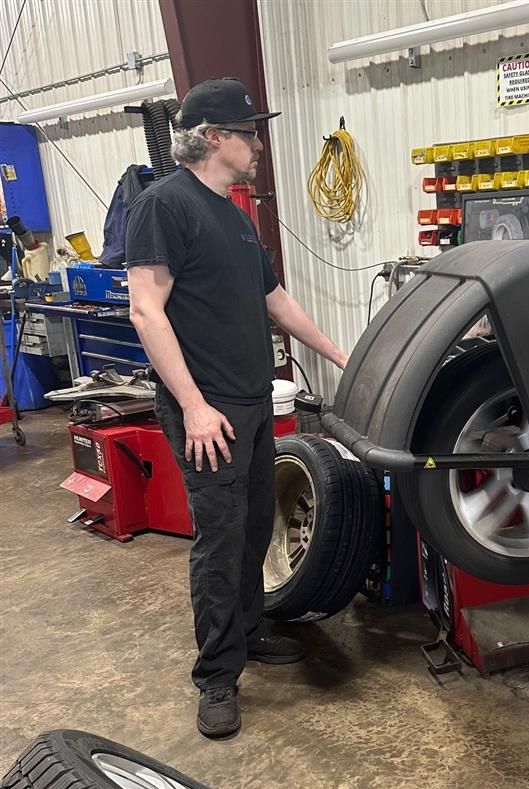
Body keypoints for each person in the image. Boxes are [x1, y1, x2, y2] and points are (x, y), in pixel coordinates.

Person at [126, 77, 347, 739]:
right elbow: (146, 309)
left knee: (254, 528)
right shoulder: (164, 206)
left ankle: (250, 632)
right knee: (220, 543)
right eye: (248, 132)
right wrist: (192, 405)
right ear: (214, 137)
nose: (258, 143)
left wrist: (344, 357)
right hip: (208, 410)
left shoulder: (235, 214)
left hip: (250, 401)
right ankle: (216, 676)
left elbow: (276, 302)